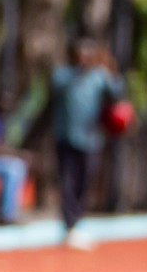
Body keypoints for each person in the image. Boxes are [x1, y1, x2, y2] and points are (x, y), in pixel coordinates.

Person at [51, 38, 123, 250]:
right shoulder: (62, 75)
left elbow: (116, 95)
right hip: (65, 136)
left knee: (85, 179)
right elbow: (55, 90)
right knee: (67, 180)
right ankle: (69, 225)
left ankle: (77, 221)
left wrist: (109, 69)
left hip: (90, 138)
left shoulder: (99, 77)